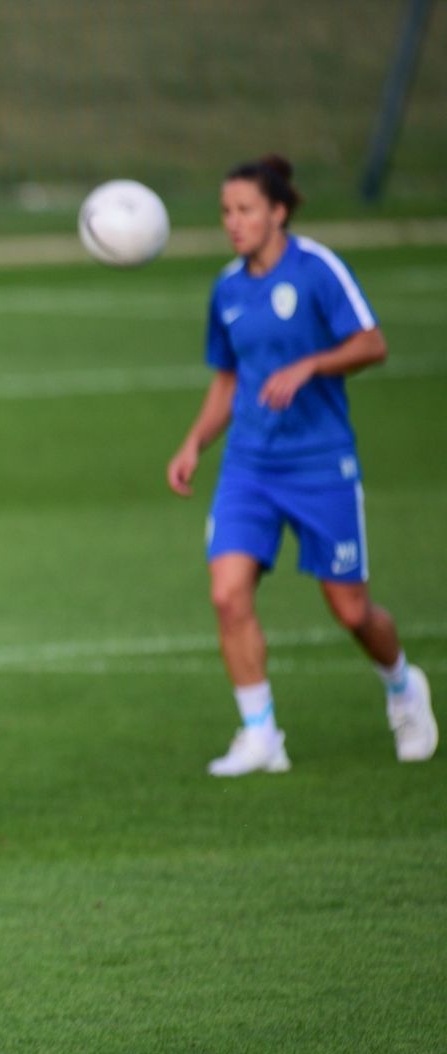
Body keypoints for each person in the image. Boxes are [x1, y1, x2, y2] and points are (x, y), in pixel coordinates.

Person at [167, 154, 436, 773]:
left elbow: (372, 342)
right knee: (227, 594)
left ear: (278, 212)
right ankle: (260, 734)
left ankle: (402, 686)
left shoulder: (317, 270)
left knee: (351, 611)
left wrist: (311, 364)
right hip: (248, 466)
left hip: (319, 464)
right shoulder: (227, 288)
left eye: (245, 210)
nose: (233, 222)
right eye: (226, 211)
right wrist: (193, 443)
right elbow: (228, 379)